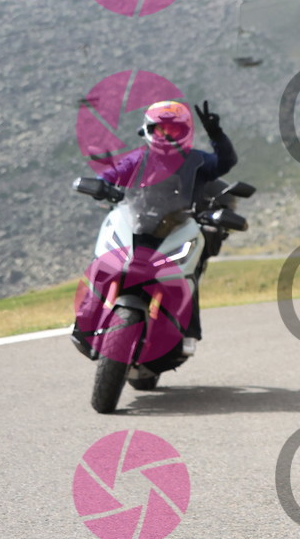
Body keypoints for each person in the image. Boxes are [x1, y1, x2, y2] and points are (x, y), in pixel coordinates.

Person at [98, 99, 236, 355]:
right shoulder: (137, 158)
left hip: (177, 227)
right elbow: (109, 176)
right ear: (147, 130)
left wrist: (216, 134)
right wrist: (100, 186)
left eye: (174, 130)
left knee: (188, 273)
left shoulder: (197, 160)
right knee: (106, 259)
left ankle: (187, 332)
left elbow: (225, 162)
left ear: (186, 132)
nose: (166, 135)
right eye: (160, 129)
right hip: (139, 223)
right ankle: (89, 314)